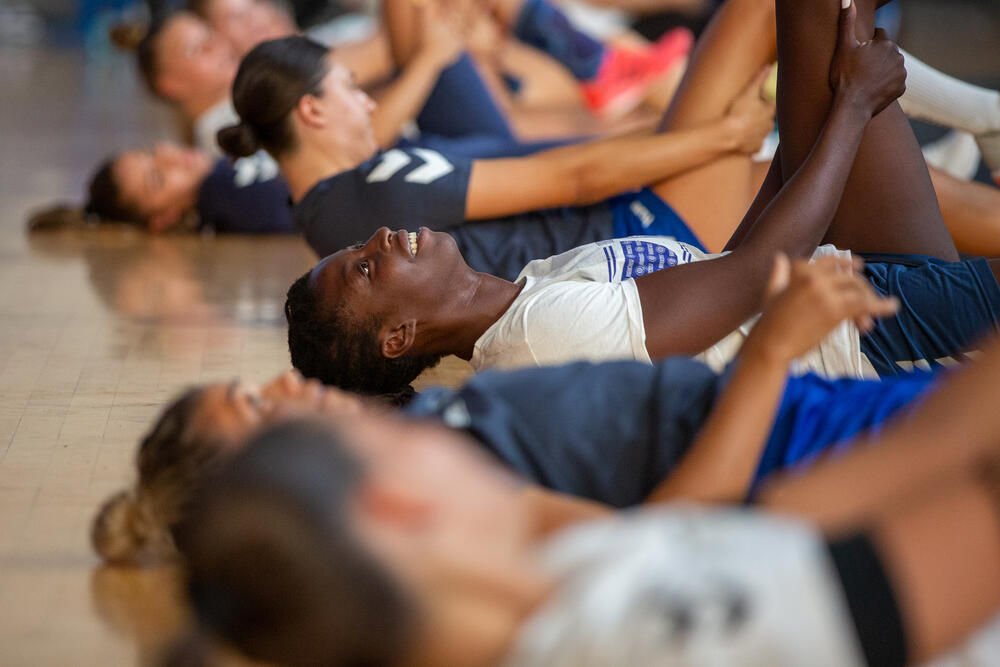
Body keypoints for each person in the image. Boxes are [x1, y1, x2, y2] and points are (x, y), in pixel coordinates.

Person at [92, 250, 1000, 566]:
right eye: (257, 405)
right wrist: (766, 353)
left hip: (807, 403)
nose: (285, 387)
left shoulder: (423, 431)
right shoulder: (432, 494)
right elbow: (673, 536)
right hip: (808, 439)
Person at [282, 0, 1000, 396]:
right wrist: (847, 111)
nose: (377, 241)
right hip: (879, 338)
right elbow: (756, 273)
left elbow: (717, 262)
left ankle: (980, 119)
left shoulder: (528, 291)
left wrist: (812, 128)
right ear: (398, 336)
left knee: (816, 17)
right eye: (366, 270)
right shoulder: (538, 339)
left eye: (359, 250)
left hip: (851, 274)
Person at [176, 326, 1000, 667]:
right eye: (397, 437)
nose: (429, 432)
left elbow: (785, 523)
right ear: (393, 502)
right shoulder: (627, 637)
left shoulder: (568, 579)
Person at [26, 142, 292, 234]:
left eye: (151, 152)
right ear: (162, 219)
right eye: (157, 178)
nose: (169, 156)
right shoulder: (222, 190)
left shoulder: (224, 167)